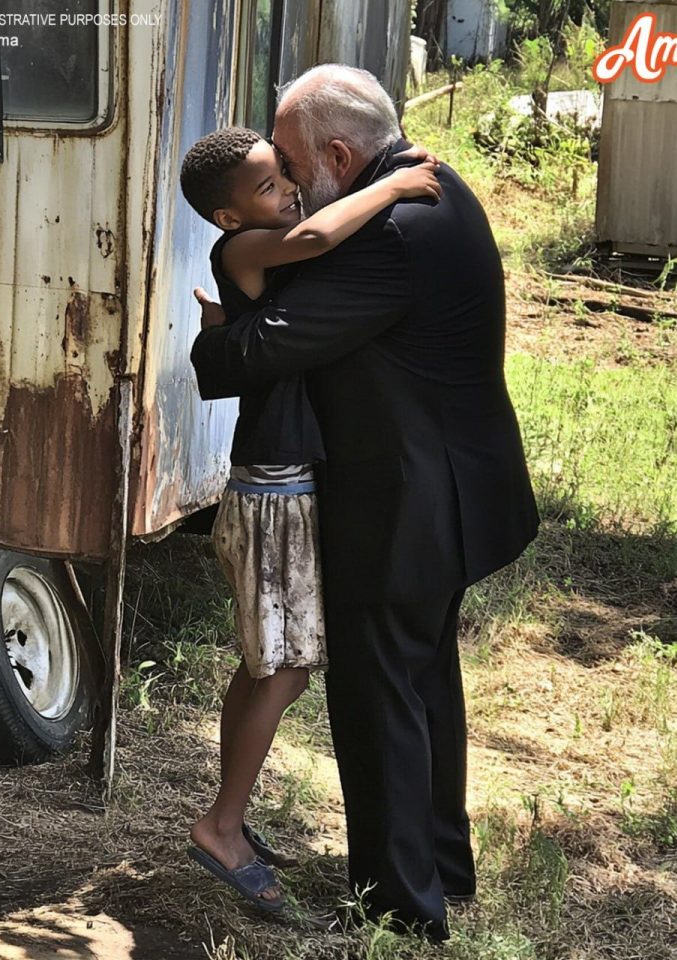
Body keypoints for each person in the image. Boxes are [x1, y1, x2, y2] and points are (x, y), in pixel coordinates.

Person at [190, 64, 540, 942]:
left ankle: (400, 908)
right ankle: (441, 866)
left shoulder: (385, 234)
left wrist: (215, 340)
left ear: (341, 154)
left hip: (406, 508)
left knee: (381, 698)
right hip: (456, 491)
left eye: (297, 171)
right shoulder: (435, 185)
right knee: (425, 680)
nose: (297, 191)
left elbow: (261, 352)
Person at [178, 126, 442, 912]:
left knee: (265, 665)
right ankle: (221, 826)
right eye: (268, 186)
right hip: (275, 486)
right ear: (230, 220)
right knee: (284, 668)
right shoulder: (246, 252)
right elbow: (322, 231)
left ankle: (232, 815)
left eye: (284, 175)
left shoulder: (254, 256)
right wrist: (394, 185)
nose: (289, 191)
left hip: (280, 479)